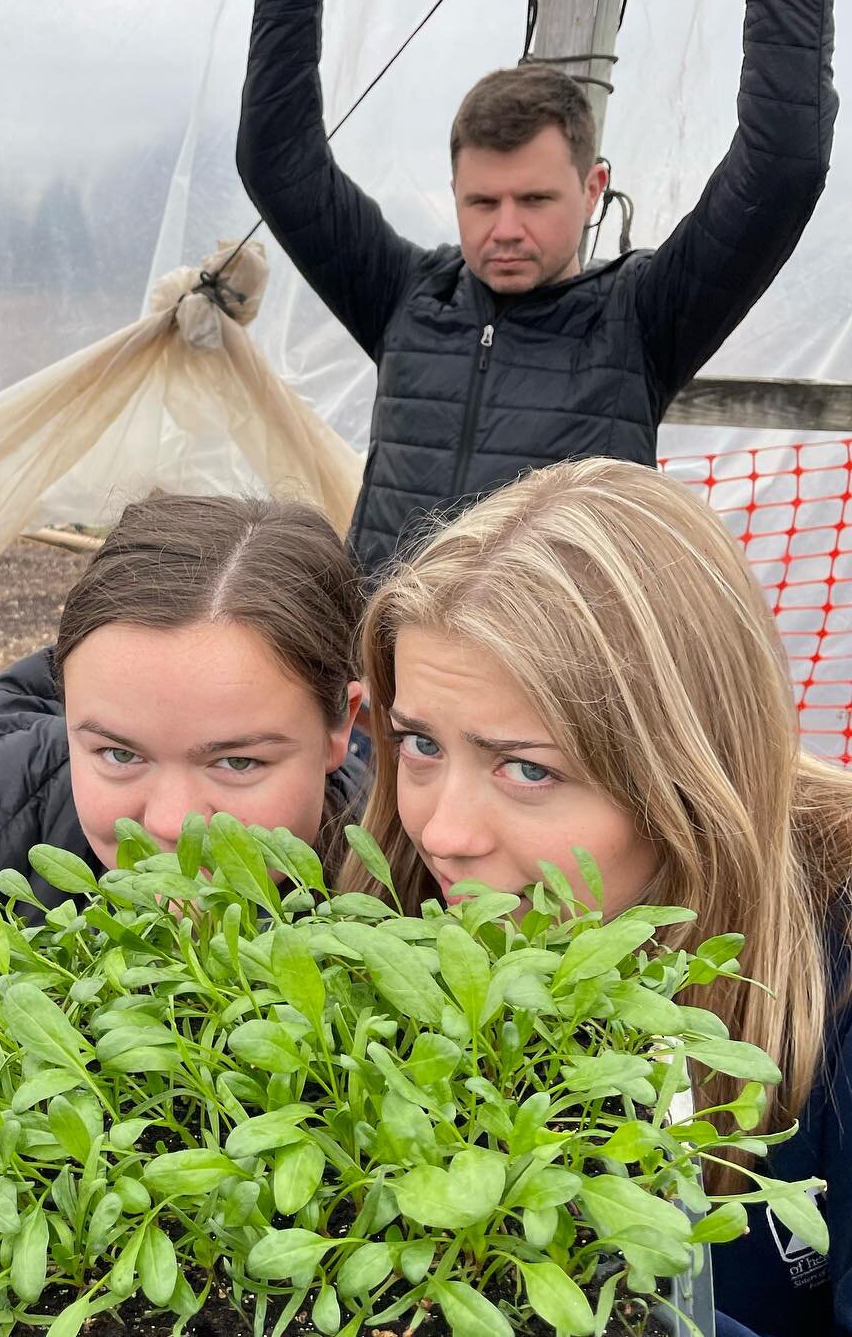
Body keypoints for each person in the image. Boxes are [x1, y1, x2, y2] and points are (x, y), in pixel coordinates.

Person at [345, 456, 852, 1337]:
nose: (443, 831)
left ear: (685, 778)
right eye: (420, 742)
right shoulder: (391, 908)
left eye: (528, 767)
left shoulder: (834, 967)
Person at [239, 0, 836, 580]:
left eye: (536, 199)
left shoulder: (641, 320)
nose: (506, 229)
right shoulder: (406, 297)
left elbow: (782, 168)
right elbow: (279, 161)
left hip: (551, 684)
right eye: (482, 202)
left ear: (592, 188)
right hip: (388, 678)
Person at [0, 493, 367, 981]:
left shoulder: (403, 875)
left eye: (238, 762)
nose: (168, 823)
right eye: (118, 754)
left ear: (340, 725)